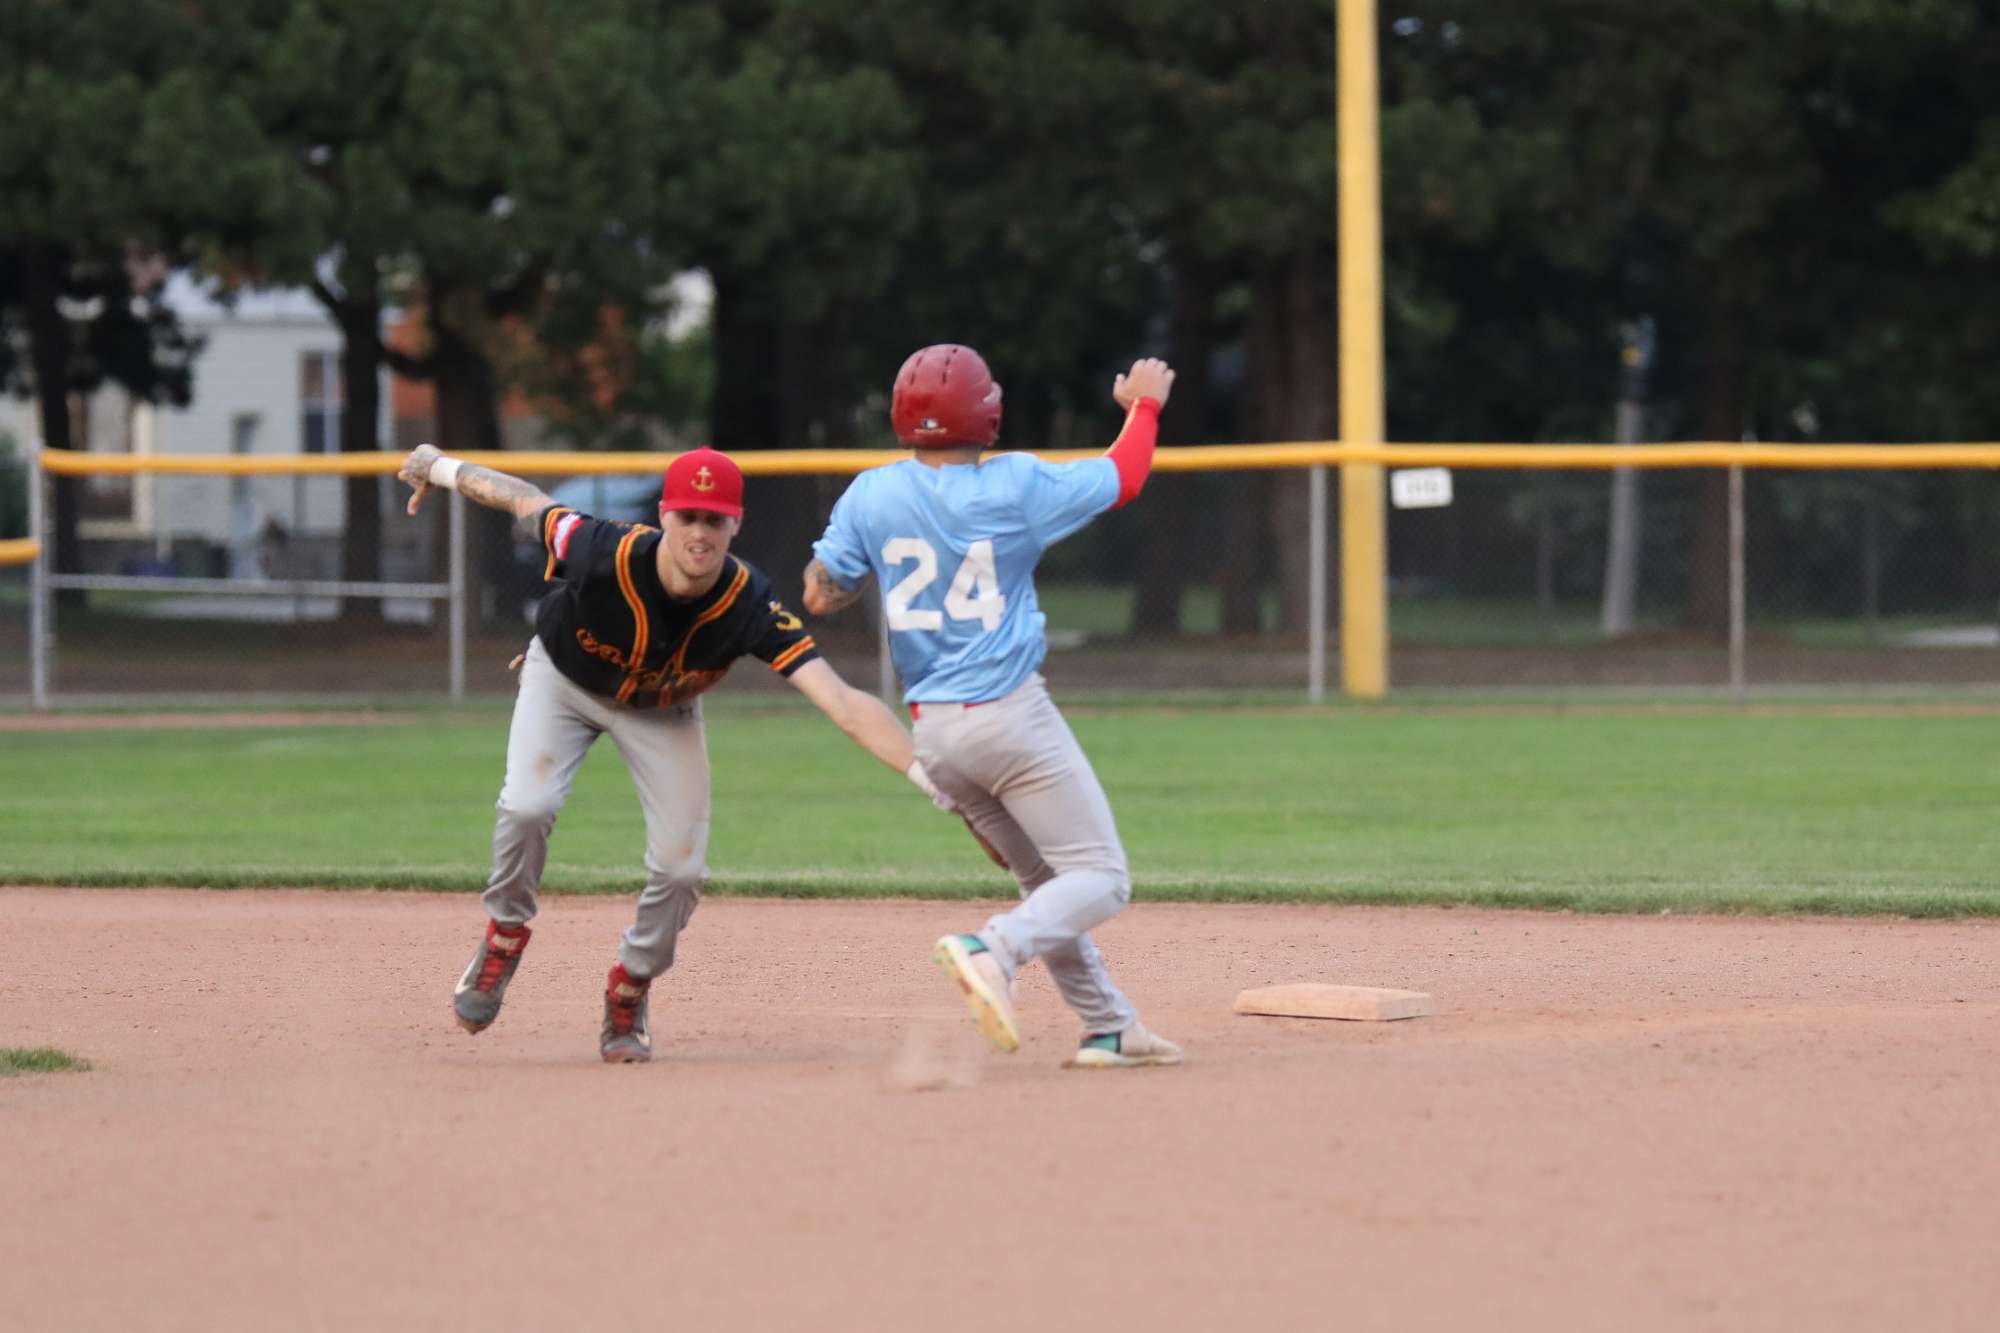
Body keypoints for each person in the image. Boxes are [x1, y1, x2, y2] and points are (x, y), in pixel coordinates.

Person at [398, 442, 955, 1063]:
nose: (699, 532)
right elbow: (524, 499)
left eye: (714, 519)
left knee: (681, 871)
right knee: (527, 805)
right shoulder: (600, 548)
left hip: (663, 707)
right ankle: (505, 933)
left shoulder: (747, 603)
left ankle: (630, 986)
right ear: (664, 515)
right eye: (688, 516)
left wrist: (929, 776)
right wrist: (439, 467)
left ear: (735, 524)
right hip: (564, 682)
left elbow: (843, 702)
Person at [803, 344, 1184, 1069]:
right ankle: (994, 949)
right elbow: (1125, 475)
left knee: (1045, 881)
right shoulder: (1015, 484)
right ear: (988, 414)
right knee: (1103, 878)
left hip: (936, 736)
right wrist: (1144, 406)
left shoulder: (870, 494)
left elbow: (822, 591)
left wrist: (867, 561)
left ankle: (1109, 1027)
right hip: (1008, 716)